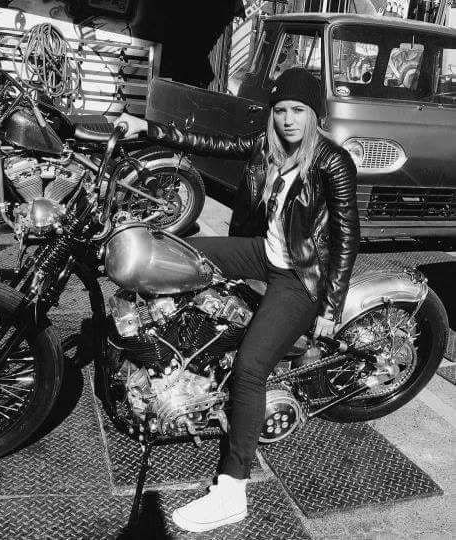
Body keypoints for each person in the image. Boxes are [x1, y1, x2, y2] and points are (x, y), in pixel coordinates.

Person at [114, 67, 360, 533]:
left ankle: (232, 491)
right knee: (174, 254)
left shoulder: (332, 161)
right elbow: (210, 142)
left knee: (250, 368)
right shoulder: (268, 145)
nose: (288, 119)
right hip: (263, 253)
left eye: (298, 111)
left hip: (301, 275)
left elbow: (347, 237)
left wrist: (330, 308)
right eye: (281, 110)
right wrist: (147, 128)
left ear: (314, 115)